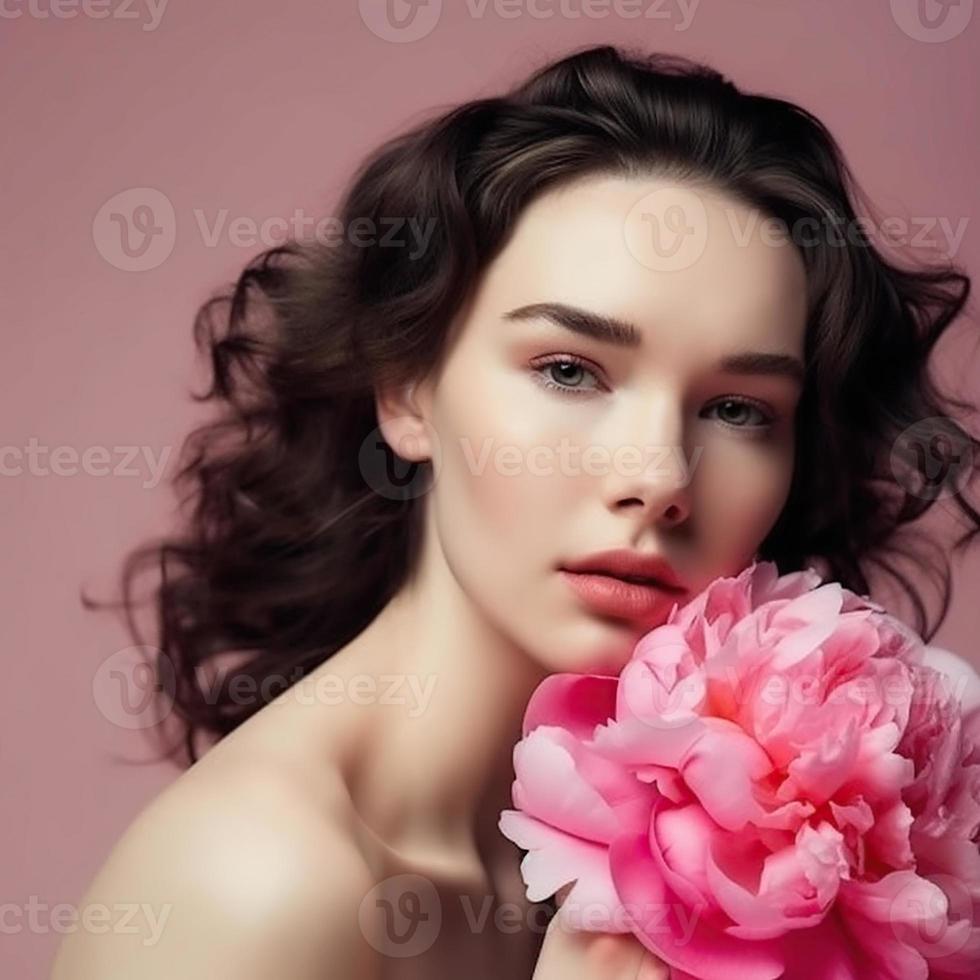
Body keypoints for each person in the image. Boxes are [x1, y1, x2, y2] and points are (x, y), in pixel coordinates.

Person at [50, 43, 979, 979]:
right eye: (569, 370)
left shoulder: (684, 876)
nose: (660, 476)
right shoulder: (256, 888)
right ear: (408, 393)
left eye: (738, 409)